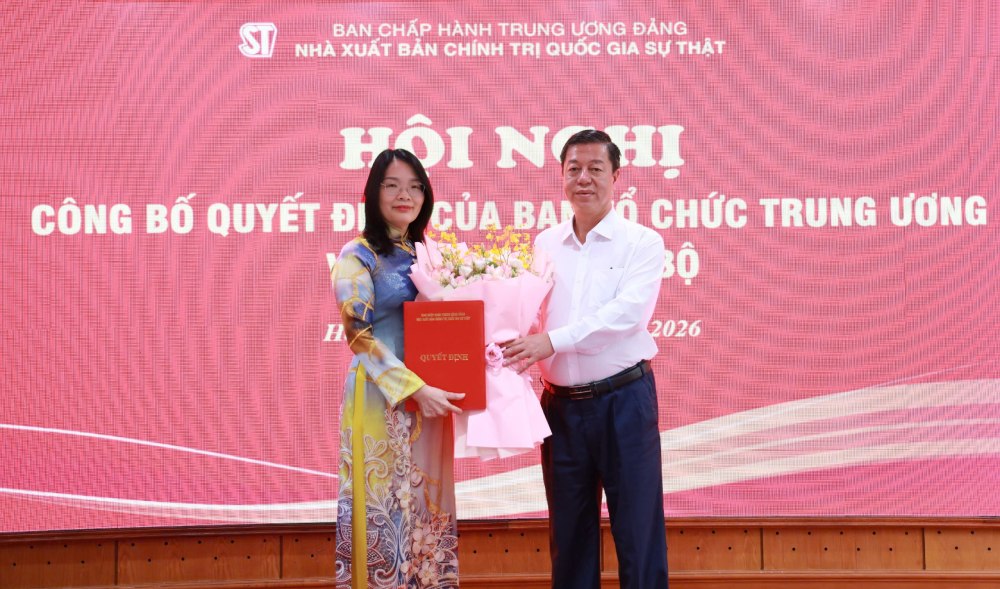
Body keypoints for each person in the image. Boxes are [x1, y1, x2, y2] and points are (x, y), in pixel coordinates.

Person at [502, 129, 669, 589]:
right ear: (561, 176)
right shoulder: (545, 244)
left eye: (596, 168)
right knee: (570, 543)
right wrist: (503, 344)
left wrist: (551, 342)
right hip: (560, 410)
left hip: (625, 402)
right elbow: (527, 313)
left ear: (617, 177)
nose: (584, 178)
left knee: (638, 535)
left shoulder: (642, 242)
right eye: (574, 169)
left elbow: (627, 316)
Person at [332, 148, 465, 589]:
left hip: (431, 398)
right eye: (392, 185)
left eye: (415, 186)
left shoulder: (430, 252)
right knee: (385, 509)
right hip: (380, 397)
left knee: (429, 507)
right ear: (374, 192)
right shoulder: (358, 255)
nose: (405, 195)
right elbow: (358, 335)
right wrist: (413, 388)